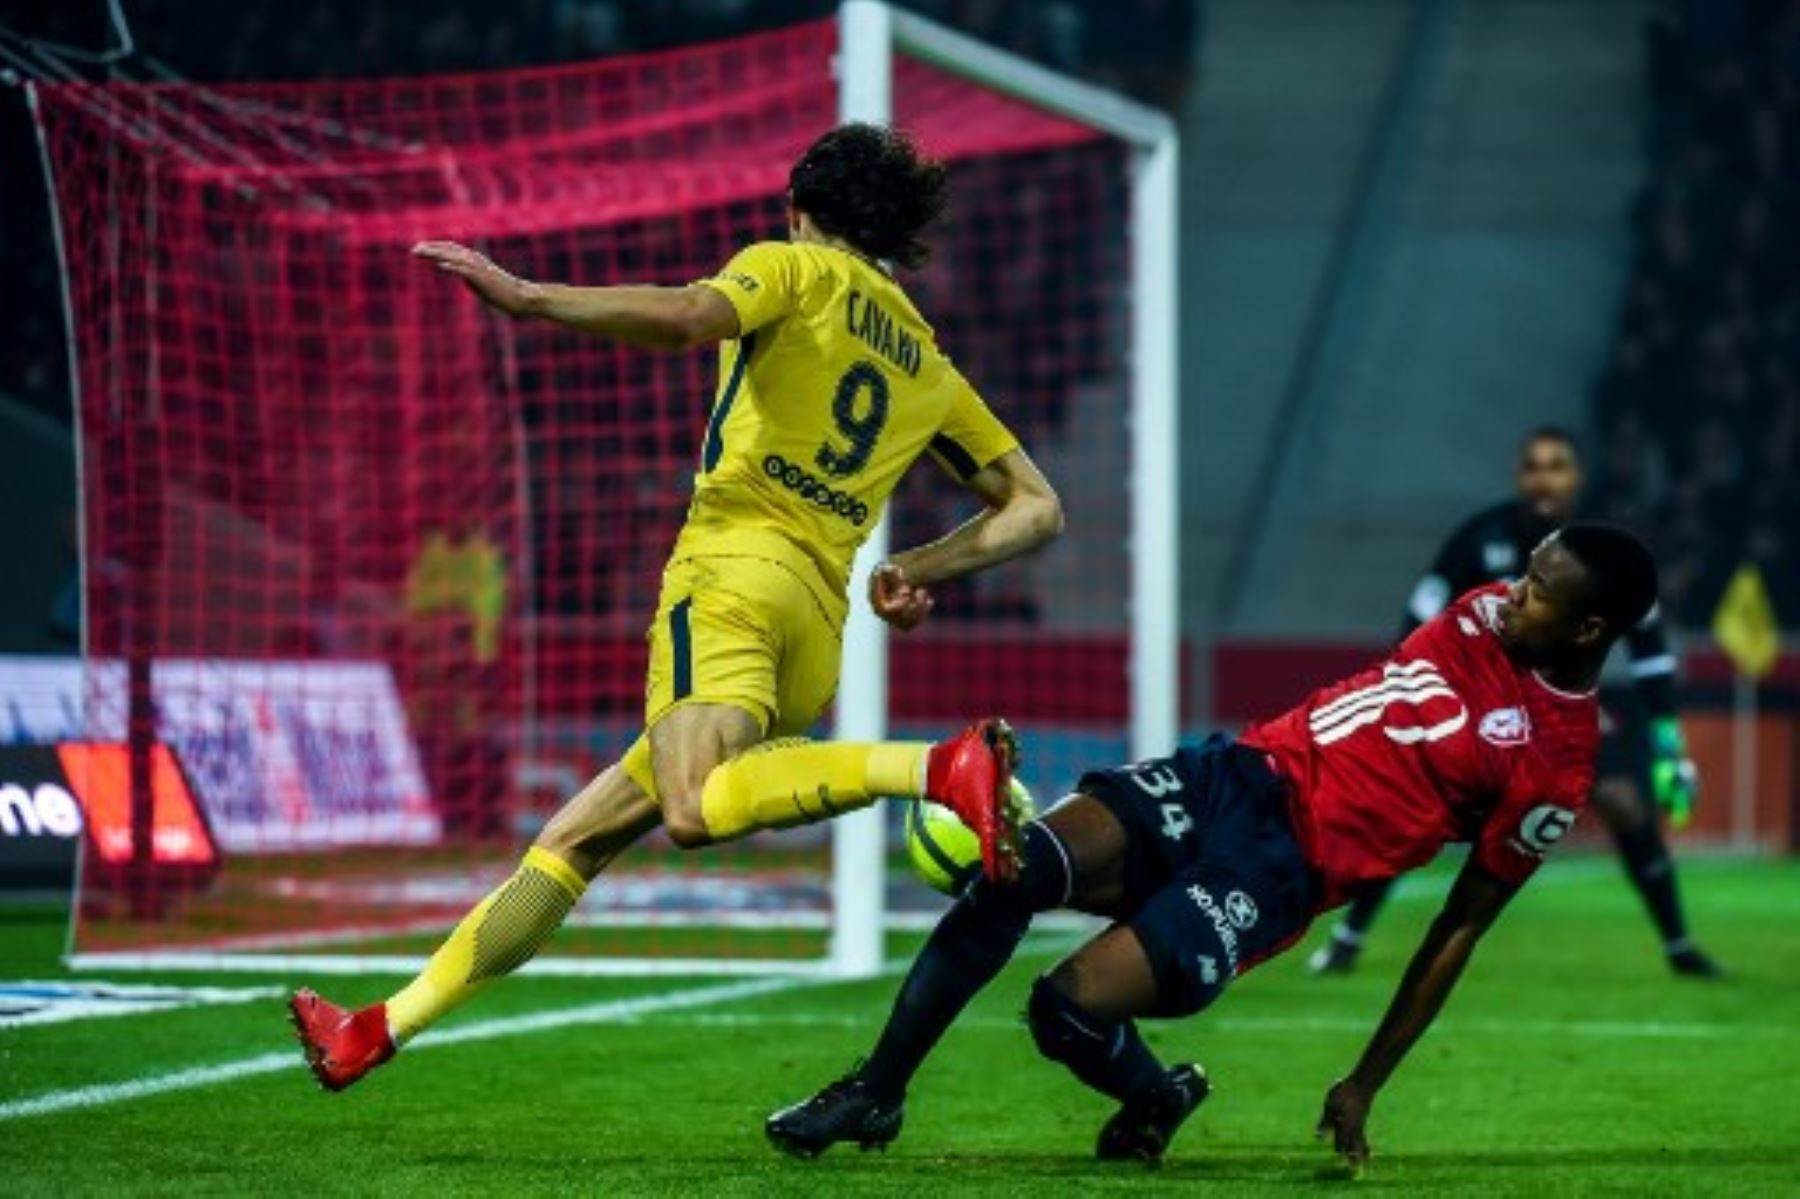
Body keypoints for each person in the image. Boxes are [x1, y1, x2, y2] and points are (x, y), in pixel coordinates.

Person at [289, 123, 1063, 1090]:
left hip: (732, 577)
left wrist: (529, 299)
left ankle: (935, 764)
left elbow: (692, 315)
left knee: (693, 808)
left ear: (799, 211)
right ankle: (378, 1026)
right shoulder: (926, 359)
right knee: (577, 837)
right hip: (814, 629)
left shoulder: (793, 268)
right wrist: (922, 563)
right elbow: (1037, 506)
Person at [768, 524, 1656, 1170]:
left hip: (1279, 870)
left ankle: (1155, 1093)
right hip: (1231, 774)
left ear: (1587, 630)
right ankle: (876, 1091)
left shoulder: (1554, 768)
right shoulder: (1486, 610)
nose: (1509, 592)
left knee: (1065, 1009)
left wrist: (1367, 1078)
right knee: (1010, 870)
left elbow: (1463, 924)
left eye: (1539, 589)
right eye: (1524, 571)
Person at [1308, 428, 1720, 978]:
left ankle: (1679, 944)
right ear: (1518, 476)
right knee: (1419, 811)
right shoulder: (1479, 539)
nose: (1543, 477)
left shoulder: (1606, 552)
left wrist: (1671, 745)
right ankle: (1348, 937)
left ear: (1578, 477)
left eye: (1558, 465)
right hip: (1481, 706)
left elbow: (1650, 651)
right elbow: (1418, 621)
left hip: (1567, 708)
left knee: (1623, 801)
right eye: (1533, 466)